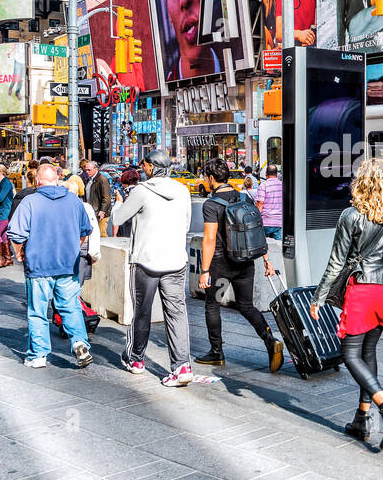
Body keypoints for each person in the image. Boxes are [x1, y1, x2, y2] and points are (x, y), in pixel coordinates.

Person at [312, 157, 383, 451]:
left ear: (362, 184)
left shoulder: (350, 216)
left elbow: (336, 262)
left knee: (350, 354)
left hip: (362, 289)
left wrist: (319, 297)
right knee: (368, 351)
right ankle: (361, 418)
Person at [110, 149, 193, 382]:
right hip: (175, 261)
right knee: (177, 313)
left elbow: (117, 219)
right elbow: (186, 224)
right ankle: (182, 367)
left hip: (146, 261)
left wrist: (119, 203)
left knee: (142, 312)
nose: (142, 168)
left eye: (144, 165)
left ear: (149, 167)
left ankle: (136, 358)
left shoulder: (141, 191)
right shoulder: (182, 190)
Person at [195, 157, 284, 372]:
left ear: (211, 178)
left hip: (220, 266)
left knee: (212, 305)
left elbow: (209, 239)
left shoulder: (211, 204)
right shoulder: (244, 197)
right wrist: (266, 260)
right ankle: (269, 339)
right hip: (245, 263)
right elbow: (255, 230)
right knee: (246, 306)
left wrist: (204, 271)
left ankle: (216, 352)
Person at [7, 163, 94, 369]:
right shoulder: (74, 200)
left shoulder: (30, 201)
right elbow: (85, 230)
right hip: (67, 265)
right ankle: (80, 342)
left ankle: (38, 355)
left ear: (37, 181)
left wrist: (20, 252)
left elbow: (16, 234)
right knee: (70, 307)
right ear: (57, 179)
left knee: (37, 311)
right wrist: (74, 248)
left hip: (39, 265)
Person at [253, 164, 284, 241]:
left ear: (266, 174)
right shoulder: (283, 185)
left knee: (264, 248)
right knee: (279, 248)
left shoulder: (263, 186)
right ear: (277, 174)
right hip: (279, 222)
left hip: (266, 222)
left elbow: (260, 203)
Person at [81, 161, 112, 232]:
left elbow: (106, 197)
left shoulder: (102, 179)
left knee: (101, 236)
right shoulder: (88, 179)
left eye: (89, 170)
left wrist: (102, 211)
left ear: (95, 169)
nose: (87, 172)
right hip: (91, 212)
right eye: (86, 170)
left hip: (99, 213)